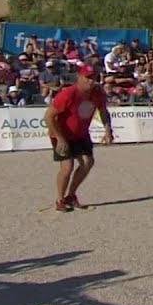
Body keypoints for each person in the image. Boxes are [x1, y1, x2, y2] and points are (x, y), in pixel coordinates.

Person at [45, 65, 114, 212]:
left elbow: (103, 111)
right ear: (79, 77)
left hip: (81, 133)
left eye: (94, 78)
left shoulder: (98, 94)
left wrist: (108, 129)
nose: (91, 81)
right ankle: (60, 199)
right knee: (67, 167)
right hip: (61, 133)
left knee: (88, 162)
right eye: (88, 77)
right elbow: (49, 116)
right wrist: (60, 139)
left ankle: (71, 195)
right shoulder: (68, 94)